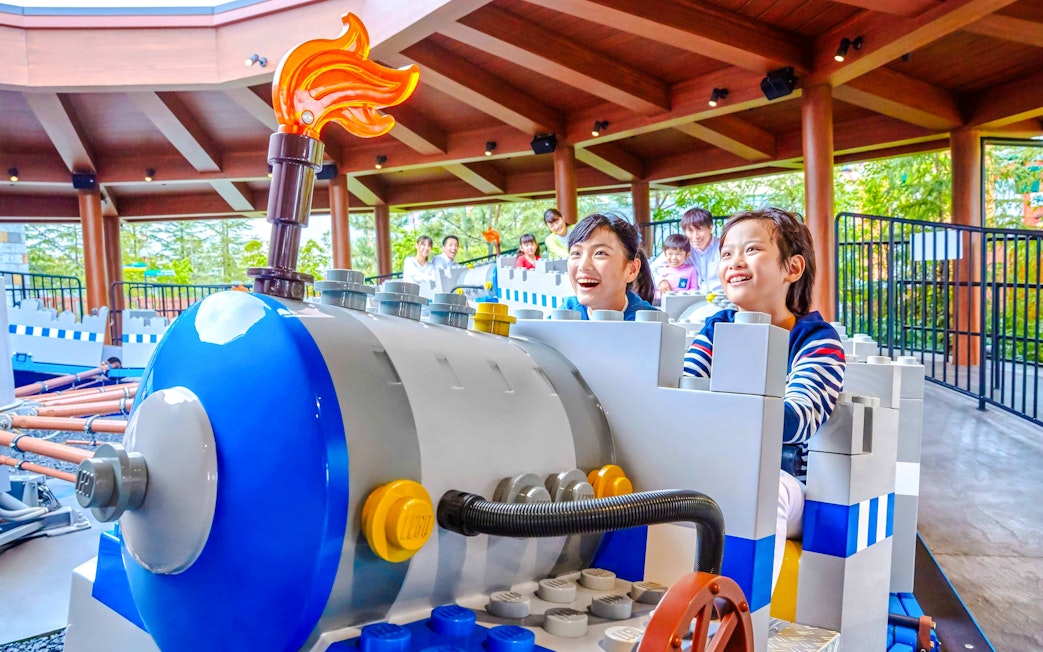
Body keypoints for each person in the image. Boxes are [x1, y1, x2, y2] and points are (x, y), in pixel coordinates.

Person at [681, 207, 846, 591]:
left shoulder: (815, 339)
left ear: (792, 268)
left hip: (787, 481)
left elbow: (798, 418)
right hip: (722, 463)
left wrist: (719, 413)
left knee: (764, 492)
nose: (735, 261)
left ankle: (741, 613)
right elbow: (686, 391)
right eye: (726, 253)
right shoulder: (716, 329)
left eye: (751, 249)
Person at [562, 213, 658, 320]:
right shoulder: (566, 312)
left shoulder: (652, 324)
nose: (583, 266)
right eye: (576, 253)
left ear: (632, 270)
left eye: (600, 253)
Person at [652, 207, 721, 293]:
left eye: (699, 229)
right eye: (690, 231)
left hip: (720, 297)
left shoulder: (723, 247)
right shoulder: (682, 247)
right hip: (691, 298)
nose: (695, 236)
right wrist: (661, 281)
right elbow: (652, 269)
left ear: (710, 228)